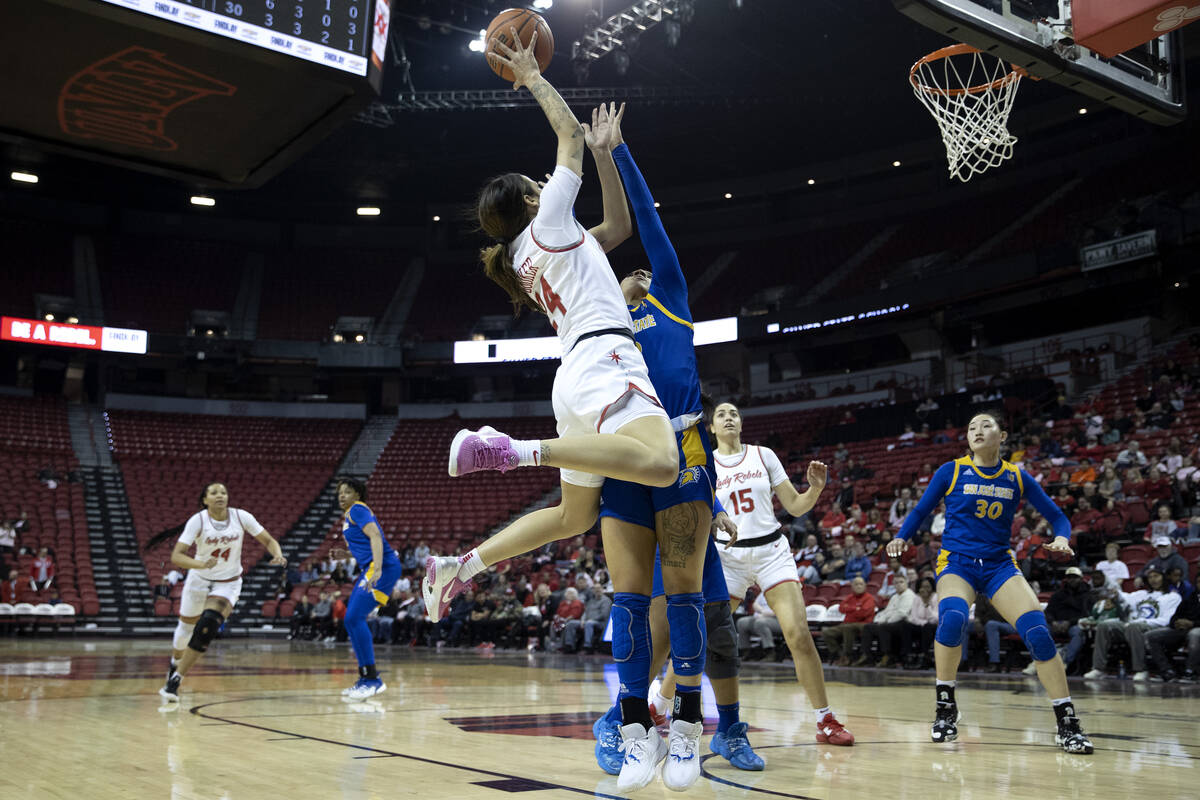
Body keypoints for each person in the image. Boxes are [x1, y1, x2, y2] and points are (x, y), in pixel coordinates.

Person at [423, 36, 680, 635]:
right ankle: (515, 451)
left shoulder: (526, 254)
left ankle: (461, 565)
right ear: (529, 200)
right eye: (535, 188)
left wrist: (605, 155)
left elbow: (614, 227)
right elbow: (566, 134)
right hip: (606, 359)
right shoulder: (550, 223)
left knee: (573, 515)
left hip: (577, 375)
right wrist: (534, 77)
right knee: (663, 463)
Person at [586, 137, 764, 787]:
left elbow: (650, 228)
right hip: (622, 454)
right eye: (623, 273)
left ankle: (689, 727)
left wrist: (619, 154)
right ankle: (635, 731)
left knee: (689, 601)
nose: (632, 273)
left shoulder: (670, 300)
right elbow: (584, 267)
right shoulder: (603, 324)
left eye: (637, 273)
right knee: (631, 603)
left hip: (682, 450)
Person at [886, 410, 1093, 754]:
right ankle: (945, 706)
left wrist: (1061, 537)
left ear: (1003, 436)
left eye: (986, 425)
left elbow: (1058, 516)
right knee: (952, 619)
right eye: (971, 427)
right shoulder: (950, 471)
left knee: (1038, 633)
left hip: (999, 565)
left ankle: (1067, 721)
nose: (977, 431)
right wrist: (902, 537)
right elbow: (921, 511)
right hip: (957, 563)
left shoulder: (1017, 476)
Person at [708, 400, 855, 742]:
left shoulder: (764, 455)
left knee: (798, 635)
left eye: (734, 414)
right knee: (702, 636)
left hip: (771, 551)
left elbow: (794, 506)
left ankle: (825, 719)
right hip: (727, 556)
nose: (729, 418)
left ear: (741, 424)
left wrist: (815, 489)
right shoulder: (706, 463)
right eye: (721, 415)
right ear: (712, 428)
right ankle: (658, 704)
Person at [150, 483, 285, 703]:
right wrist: (200, 565)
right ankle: (175, 663)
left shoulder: (241, 517)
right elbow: (177, 556)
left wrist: (277, 554)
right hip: (199, 579)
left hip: (228, 583)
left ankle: (176, 679)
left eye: (223, 492)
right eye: (214, 493)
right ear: (205, 500)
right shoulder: (198, 520)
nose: (220, 495)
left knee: (209, 624)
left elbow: (269, 540)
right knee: (185, 628)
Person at [328, 476, 403, 699]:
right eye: (340, 492)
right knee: (352, 620)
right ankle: (366, 678)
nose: (342, 495)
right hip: (373, 566)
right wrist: (346, 554)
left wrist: (378, 569)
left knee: (353, 618)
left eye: (347, 491)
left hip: (382, 566)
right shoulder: (350, 515)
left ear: (357, 495)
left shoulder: (357, 509)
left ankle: (371, 679)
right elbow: (366, 543)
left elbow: (376, 536)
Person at [1083, 567, 1180, 681]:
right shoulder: (1142, 594)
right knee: (1104, 625)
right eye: (1150, 577)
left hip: (1153, 627)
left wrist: (1141, 622)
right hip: (1132, 625)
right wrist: (1116, 594)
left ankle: (1141, 669)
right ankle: (1099, 668)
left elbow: (1166, 620)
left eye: (1156, 576)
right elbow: (1125, 597)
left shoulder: (1172, 597)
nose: (1153, 580)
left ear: (1164, 578)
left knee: (1133, 627)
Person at [1144, 578, 1200, 682]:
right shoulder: (1191, 597)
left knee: (1195, 635)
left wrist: (1193, 624)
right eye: (1199, 582)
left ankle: (1191, 671)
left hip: (1196, 628)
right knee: (1151, 636)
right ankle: (1167, 670)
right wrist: (1176, 623)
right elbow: (1174, 617)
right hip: (1183, 628)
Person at [858, 574, 916, 667]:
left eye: (901, 582)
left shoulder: (909, 595)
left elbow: (902, 613)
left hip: (904, 623)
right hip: (891, 622)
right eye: (896, 583)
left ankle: (888, 656)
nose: (899, 584)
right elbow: (886, 611)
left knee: (884, 627)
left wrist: (885, 622)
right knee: (868, 627)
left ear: (907, 583)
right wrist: (879, 620)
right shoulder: (894, 596)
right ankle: (867, 655)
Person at [823, 576, 877, 665]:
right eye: (856, 584)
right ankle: (840, 654)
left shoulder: (869, 598)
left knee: (847, 628)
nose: (859, 586)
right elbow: (841, 608)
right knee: (826, 632)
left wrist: (850, 609)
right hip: (847, 624)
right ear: (852, 587)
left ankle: (848, 655)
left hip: (863, 625)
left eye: (861, 584)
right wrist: (856, 608)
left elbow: (863, 614)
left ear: (865, 586)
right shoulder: (850, 597)